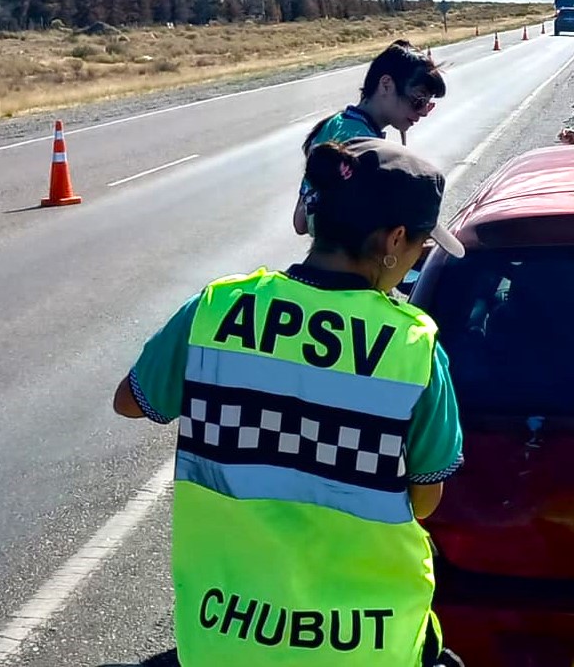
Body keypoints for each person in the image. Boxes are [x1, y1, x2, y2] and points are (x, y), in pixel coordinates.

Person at [113, 137, 467, 667]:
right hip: (364, 638)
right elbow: (423, 499)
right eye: (420, 245)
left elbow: (131, 402)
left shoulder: (217, 307)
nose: (417, 257)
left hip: (222, 631)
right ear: (395, 239)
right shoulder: (411, 345)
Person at [293, 40, 447, 234]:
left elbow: (301, 220)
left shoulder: (334, 124)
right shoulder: (364, 147)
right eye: (419, 100)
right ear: (386, 85)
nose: (423, 112)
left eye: (428, 105)